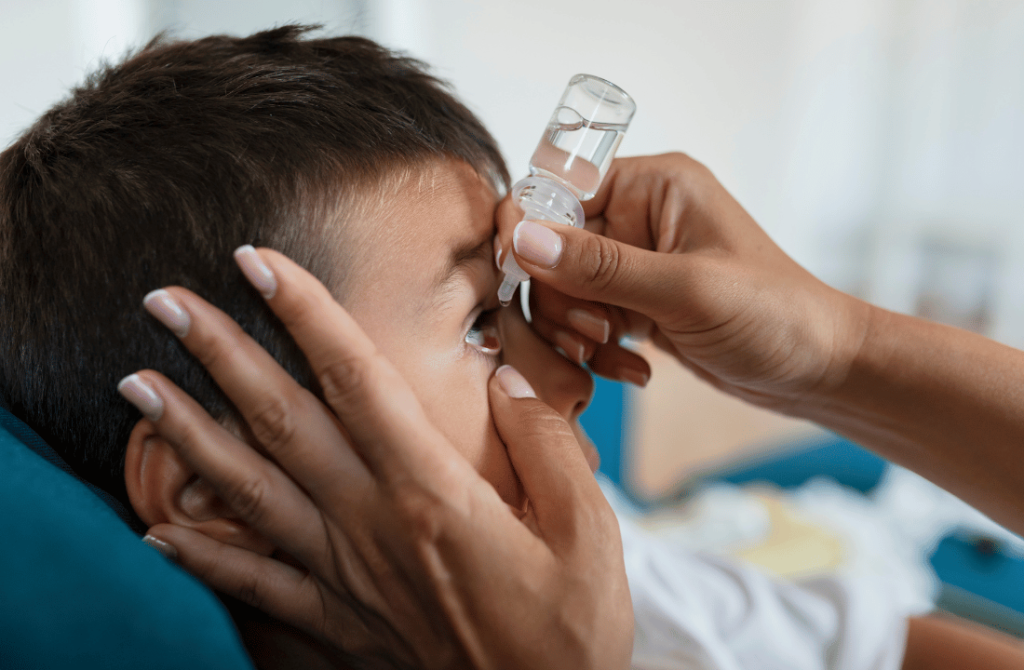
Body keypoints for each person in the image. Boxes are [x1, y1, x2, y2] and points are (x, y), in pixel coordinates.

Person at [2, 24, 1021, 670]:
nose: (566, 376)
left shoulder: (602, 572)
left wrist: (835, 350)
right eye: (485, 325)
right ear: (217, 492)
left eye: (521, 302)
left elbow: (902, 645)